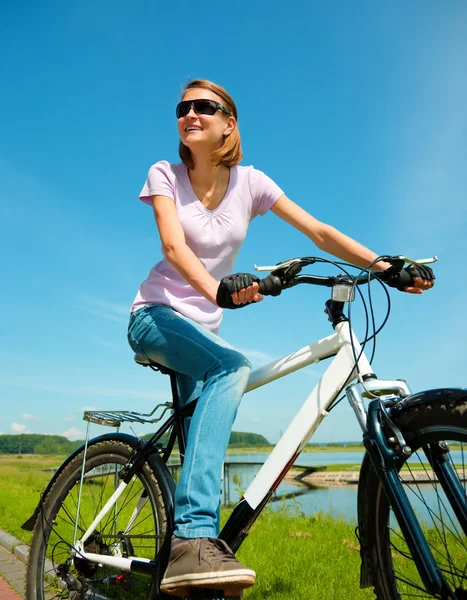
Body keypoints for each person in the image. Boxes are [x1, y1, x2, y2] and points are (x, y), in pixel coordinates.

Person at [127, 79, 435, 596]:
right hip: (155, 316)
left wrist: (383, 267)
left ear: (230, 123)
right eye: (183, 108)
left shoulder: (251, 183)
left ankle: (187, 563)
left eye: (205, 106)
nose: (190, 114)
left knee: (202, 442)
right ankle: (193, 537)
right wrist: (216, 291)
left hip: (203, 331)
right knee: (233, 366)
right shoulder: (166, 174)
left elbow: (318, 231)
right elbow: (174, 247)